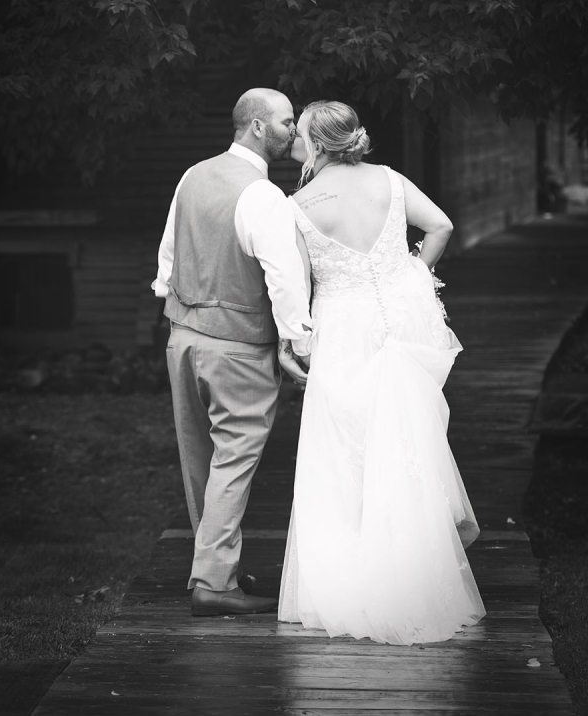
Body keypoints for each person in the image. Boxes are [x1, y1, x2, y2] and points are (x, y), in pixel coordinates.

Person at [278, 100, 486, 644]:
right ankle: (412, 574)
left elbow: (296, 286)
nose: (295, 141)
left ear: (318, 144)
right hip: (397, 320)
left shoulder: (298, 206)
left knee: (343, 449)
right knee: (403, 438)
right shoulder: (390, 181)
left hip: (341, 329)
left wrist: (290, 342)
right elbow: (440, 226)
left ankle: (350, 581)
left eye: (300, 134)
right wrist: (412, 276)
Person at [153, 88, 312, 617]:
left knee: (200, 459)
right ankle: (214, 585)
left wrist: (176, 306)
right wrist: (299, 343)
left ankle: (213, 568)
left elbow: (169, 255)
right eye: (286, 121)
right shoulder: (263, 196)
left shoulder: (193, 175)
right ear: (259, 127)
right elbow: (284, 278)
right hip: (237, 347)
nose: (293, 130)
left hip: (182, 337)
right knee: (234, 461)